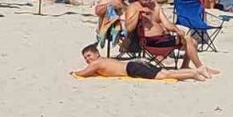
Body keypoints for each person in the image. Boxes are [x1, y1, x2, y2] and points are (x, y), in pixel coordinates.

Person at [123, 0, 218, 74]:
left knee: (194, 42)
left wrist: (177, 30)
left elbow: (167, 23)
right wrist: (138, 12)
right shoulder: (133, 7)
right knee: (188, 39)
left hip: (163, 39)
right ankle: (200, 67)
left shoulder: (155, 6)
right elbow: (129, 28)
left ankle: (185, 66)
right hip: (150, 42)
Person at [72, 43, 208, 81]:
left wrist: (73, 72)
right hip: (134, 64)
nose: (87, 59)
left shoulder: (96, 63)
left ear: (97, 54)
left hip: (132, 69)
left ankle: (194, 73)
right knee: (166, 72)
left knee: (166, 75)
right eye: (86, 58)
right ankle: (195, 71)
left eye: (89, 55)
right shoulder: (102, 60)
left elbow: (83, 73)